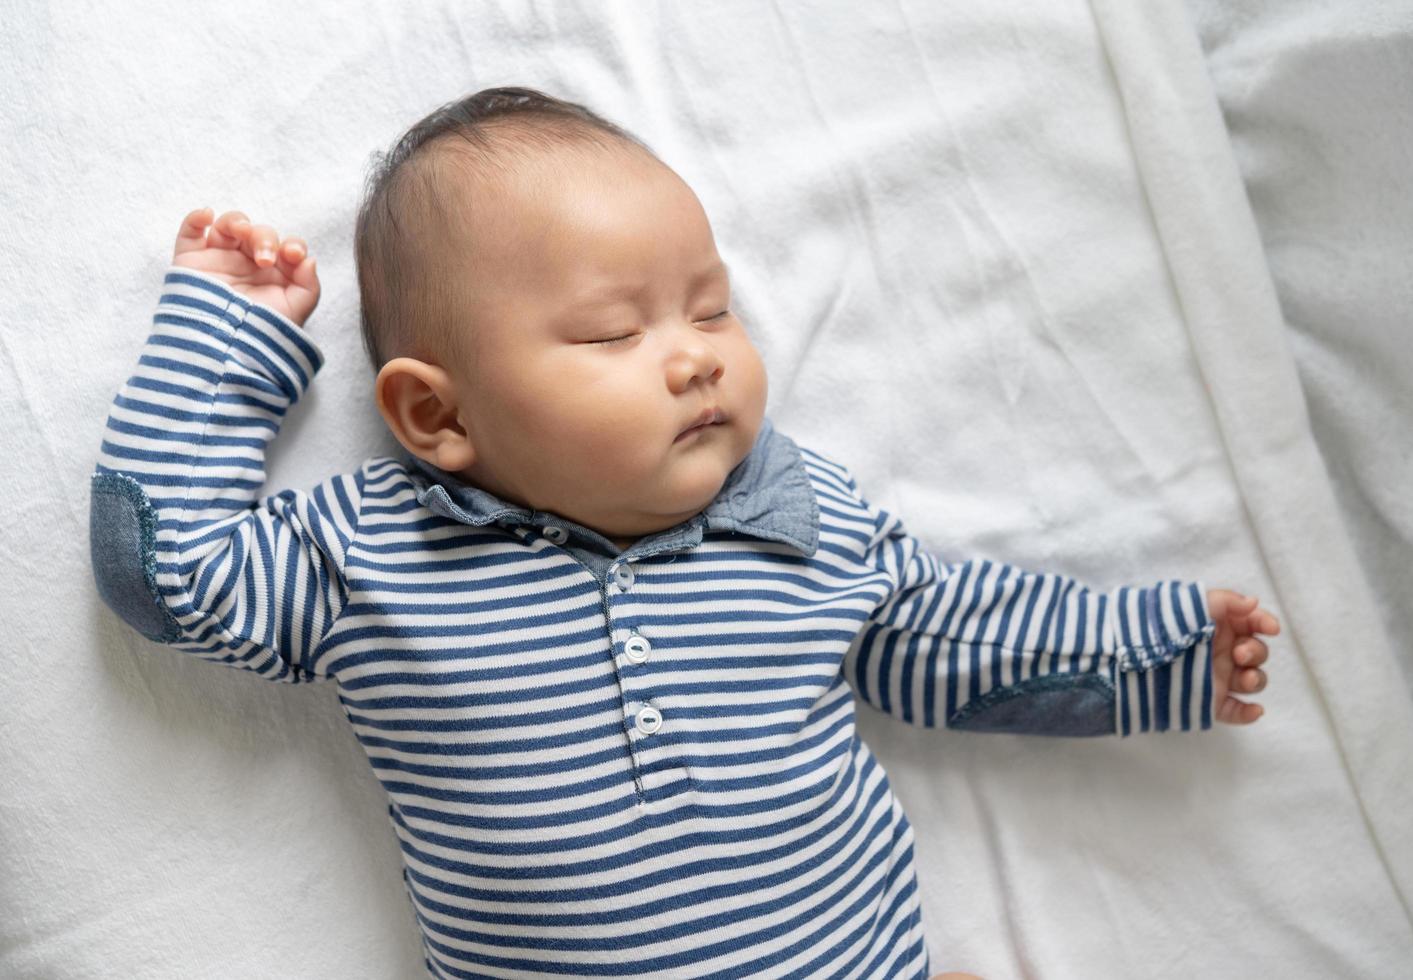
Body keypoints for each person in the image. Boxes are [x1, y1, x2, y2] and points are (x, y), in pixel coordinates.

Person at [90, 86, 1278, 980]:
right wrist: (228, 338)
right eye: (613, 331)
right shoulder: (369, 554)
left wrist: (1157, 651)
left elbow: (949, 631)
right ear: (435, 412)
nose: (697, 348)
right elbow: (170, 571)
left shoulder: (794, 516)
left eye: (712, 305)